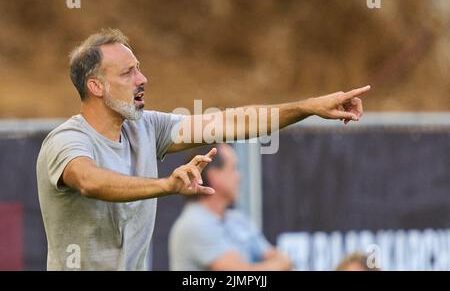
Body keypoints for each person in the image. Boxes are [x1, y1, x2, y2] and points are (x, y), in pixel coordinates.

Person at [36, 28, 370, 270]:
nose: (143, 79)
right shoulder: (66, 141)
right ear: (95, 86)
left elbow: (232, 123)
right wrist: (165, 185)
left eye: (138, 67)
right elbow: (90, 181)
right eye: (128, 72)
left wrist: (308, 107)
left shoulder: (146, 127)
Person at [169, 144, 292, 271]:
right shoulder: (194, 224)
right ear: (214, 175)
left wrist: (281, 262)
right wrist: (282, 263)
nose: (239, 176)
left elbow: (274, 256)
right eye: (233, 168)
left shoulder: (237, 219)